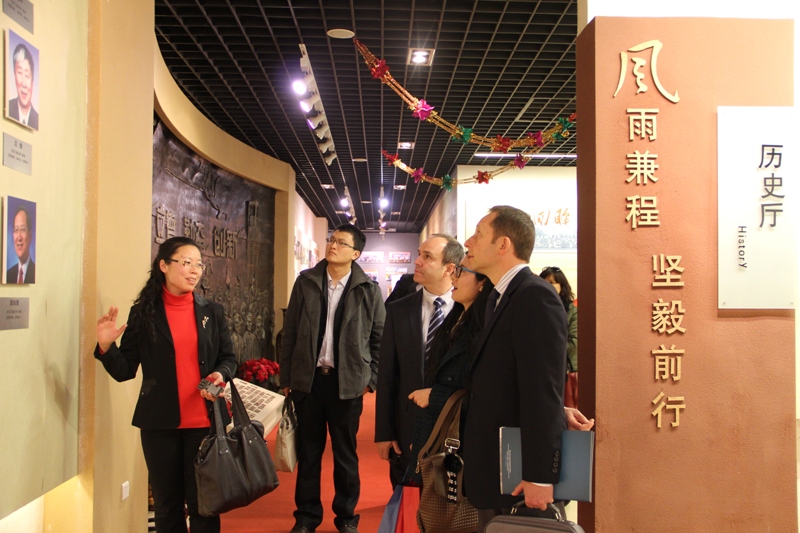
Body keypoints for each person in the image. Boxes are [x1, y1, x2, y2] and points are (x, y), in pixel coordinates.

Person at [94, 236, 237, 533]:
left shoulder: (212, 311)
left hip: (204, 423)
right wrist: (107, 347)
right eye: (186, 263)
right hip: (159, 424)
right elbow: (125, 370)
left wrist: (220, 374)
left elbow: (228, 358)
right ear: (163, 265)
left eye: (199, 264)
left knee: (204, 505)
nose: (194, 270)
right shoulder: (144, 313)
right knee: (167, 506)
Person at [462, 206, 568, 532]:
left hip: (519, 475)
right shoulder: (499, 296)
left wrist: (540, 475)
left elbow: (541, 391)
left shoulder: (534, 296)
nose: (468, 241)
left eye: (479, 234)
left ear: (503, 244)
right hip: (496, 466)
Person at [280, 224, 385, 533]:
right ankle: (306, 517)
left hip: (348, 384)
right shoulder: (306, 282)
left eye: (341, 242)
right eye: (331, 240)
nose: (333, 245)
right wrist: (287, 377)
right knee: (309, 454)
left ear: (356, 254)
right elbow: (289, 333)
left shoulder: (368, 289)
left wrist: (371, 379)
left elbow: (379, 339)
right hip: (309, 382)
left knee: (345, 455)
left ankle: (347, 517)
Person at [375, 234, 464, 487]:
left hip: (454, 426)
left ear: (449, 268)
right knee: (406, 498)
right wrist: (384, 432)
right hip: (407, 429)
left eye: (427, 257)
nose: (417, 261)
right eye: (418, 254)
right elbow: (387, 375)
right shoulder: (399, 310)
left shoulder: (468, 310)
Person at [407, 259, 494, 483]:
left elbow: (487, 396)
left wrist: (434, 396)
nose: (453, 277)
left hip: (461, 443)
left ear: (482, 283)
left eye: (461, 271)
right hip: (435, 434)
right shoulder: (455, 319)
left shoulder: (486, 328)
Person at [540, 266, 578, 377]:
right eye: (544, 282)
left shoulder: (571, 310)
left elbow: (574, 342)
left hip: (564, 369)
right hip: (541, 367)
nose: (547, 286)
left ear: (561, 286)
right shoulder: (534, 308)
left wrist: (548, 351)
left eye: (552, 282)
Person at [8, 43, 38, 129]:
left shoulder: (37, 120)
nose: (23, 84)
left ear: (32, 83)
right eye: (20, 73)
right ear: (14, 77)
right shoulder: (8, 108)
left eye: (27, 76)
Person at [6, 205, 35, 284]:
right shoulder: (8, 275)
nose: (19, 237)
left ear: (30, 235)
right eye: (16, 230)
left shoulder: (36, 272)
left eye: (22, 229)